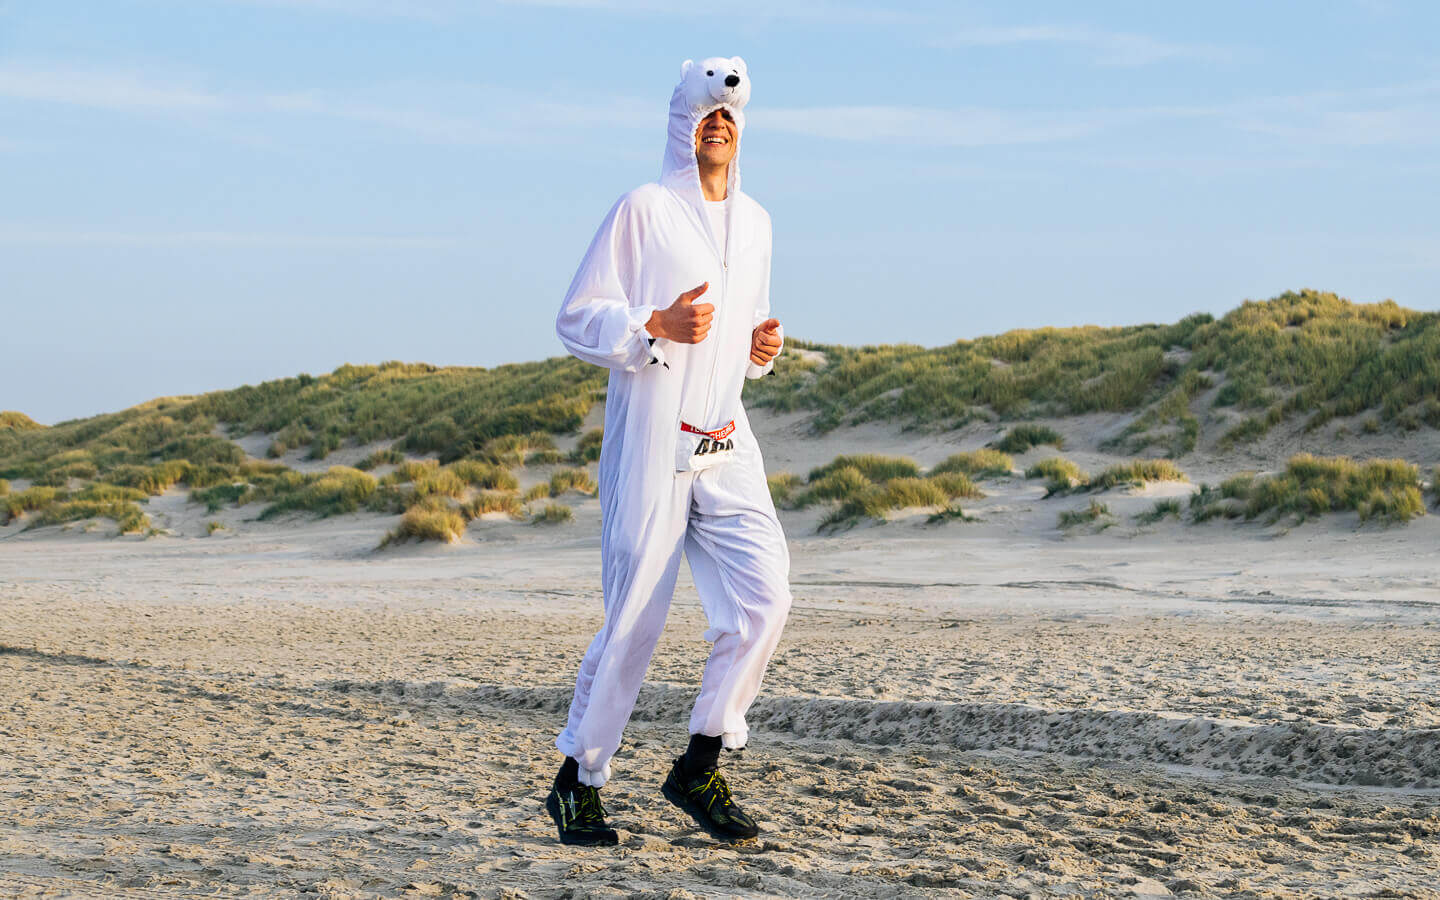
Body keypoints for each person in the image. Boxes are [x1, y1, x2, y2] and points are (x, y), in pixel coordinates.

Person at [547, 55, 791, 846]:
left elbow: (741, 327)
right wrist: (651, 323)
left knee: (765, 600)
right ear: (682, 126)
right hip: (653, 439)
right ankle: (579, 779)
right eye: (704, 117)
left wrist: (760, 345)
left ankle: (701, 762)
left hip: (727, 438)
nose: (717, 126)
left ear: (740, 130)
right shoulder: (642, 208)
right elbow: (578, 315)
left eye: (727, 119)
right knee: (634, 623)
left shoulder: (755, 223)